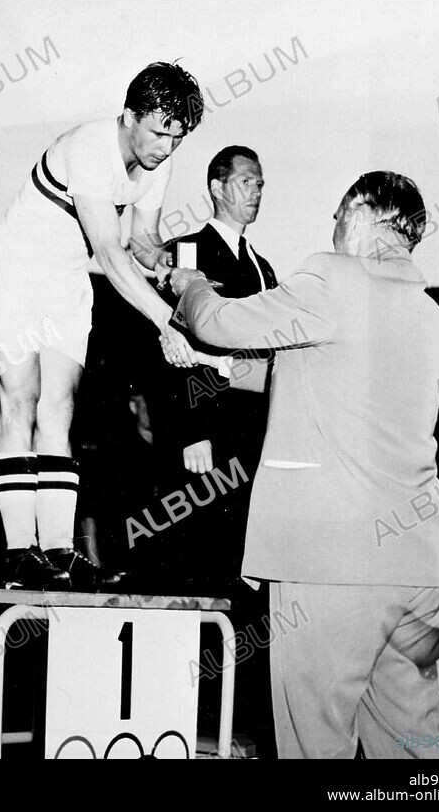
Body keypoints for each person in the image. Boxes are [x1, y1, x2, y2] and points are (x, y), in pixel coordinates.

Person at [167, 171, 439, 759]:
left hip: (334, 562)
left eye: (335, 218)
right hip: (423, 566)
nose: (331, 230)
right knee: (413, 746)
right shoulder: (429, 314)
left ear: (356, 217)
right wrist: (221, 370)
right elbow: (324, 374)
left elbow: (217, 321)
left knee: (314, 741)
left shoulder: (332, 276)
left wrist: (190, 284)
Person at [0, 62, 205, 591]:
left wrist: (169, 268)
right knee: (20, 399)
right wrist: (166, 321)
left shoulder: (156, 161)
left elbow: (142, 241)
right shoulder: (89, 147)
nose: (166, 147)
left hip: (67, 280)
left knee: (59, 407)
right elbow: (110, 250)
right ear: (129, 116)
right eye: (158, 132)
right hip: (17, 269)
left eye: (177, 137)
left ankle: (55, 551)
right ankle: (16, 555)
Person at [156, 146, 278, 593]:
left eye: (261, 183)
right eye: (247, 181)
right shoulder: (188, 253)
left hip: (255, 432)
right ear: (216, 187)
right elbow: (173, 348)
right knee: (201, 554)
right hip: (209, 430)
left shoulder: (263, 267)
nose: (257, 191)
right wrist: (193, 429)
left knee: (244, 558)